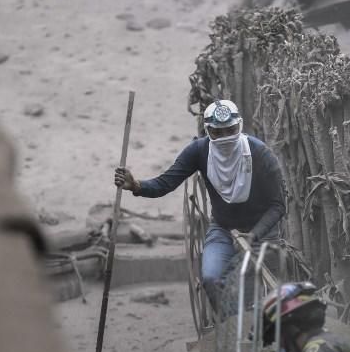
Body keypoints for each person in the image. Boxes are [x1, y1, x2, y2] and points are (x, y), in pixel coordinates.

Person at [114, 99, 285, 307]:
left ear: (239, 126)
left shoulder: (260, 154)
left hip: (262, 233)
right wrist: (136, 186)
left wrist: (254, 235)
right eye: (217, 133)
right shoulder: (199, 151)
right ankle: (227, 328)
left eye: (230, 130)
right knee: (211, 279)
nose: (225, 138)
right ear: (208, 131)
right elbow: (166, 183)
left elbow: (278, 205)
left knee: (252, 293)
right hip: (223, 229)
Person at [260, 281, 350, 352]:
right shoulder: (330, 339)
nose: (279, 347)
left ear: (290, 330)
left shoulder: (318, 344)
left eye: (277, 338)